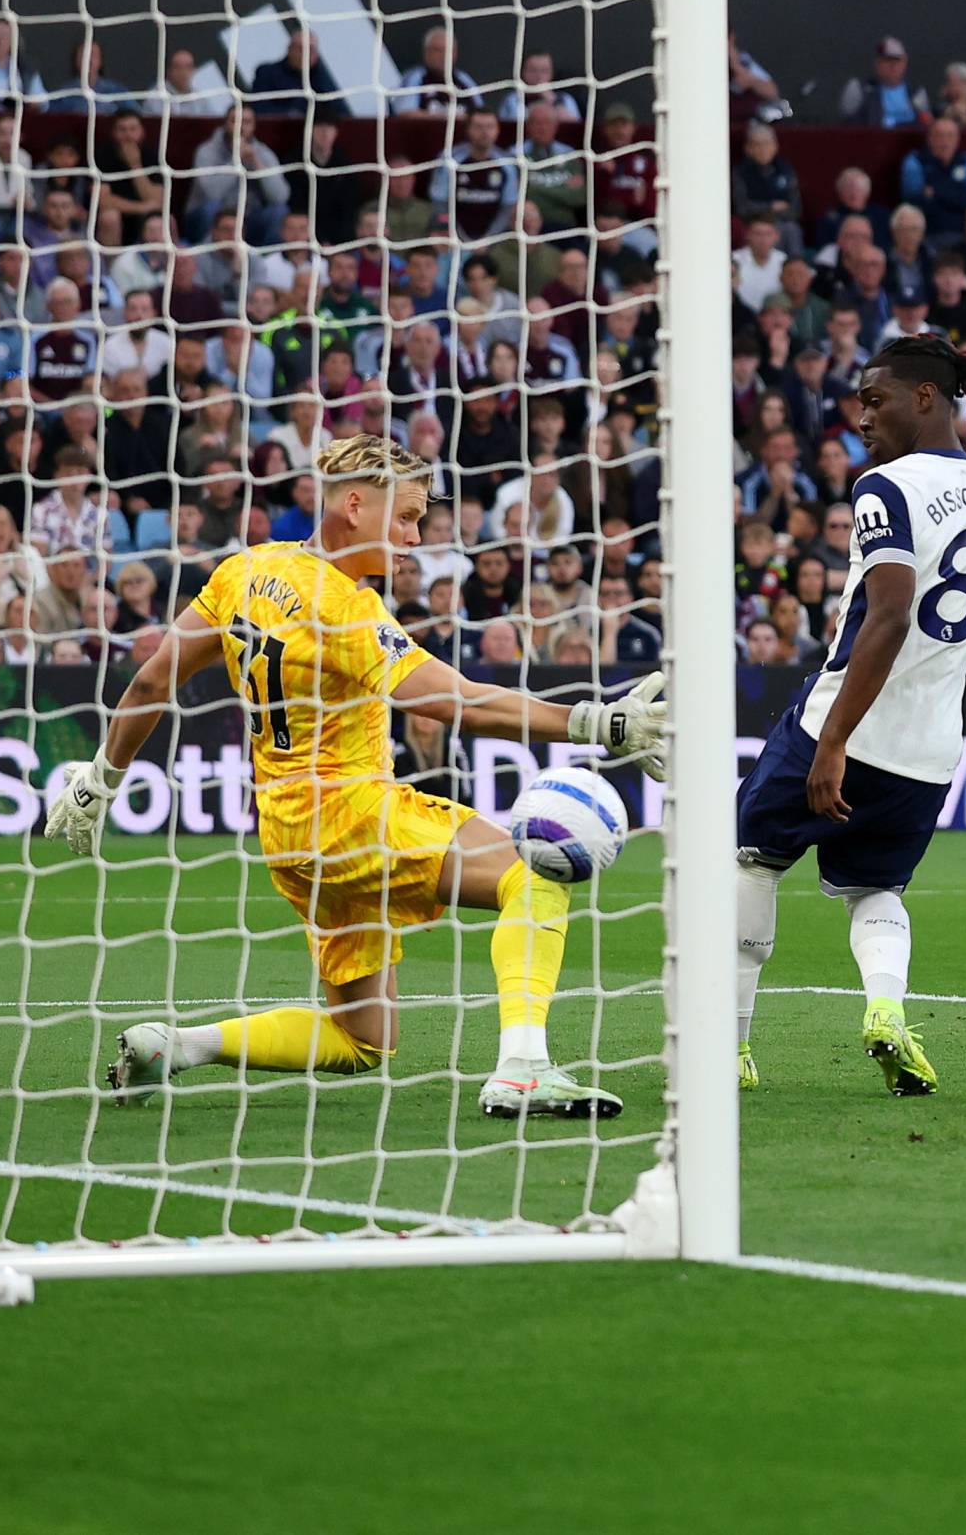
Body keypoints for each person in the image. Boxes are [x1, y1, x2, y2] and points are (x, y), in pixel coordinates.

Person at [49, 433, 673, 1118]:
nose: (412, 538)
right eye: (405, 518)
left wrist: (101, 780)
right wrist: (593, 722)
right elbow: (452, 700)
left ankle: (179, 1046)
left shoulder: (242, 573)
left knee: (362, 1041)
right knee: (535, 874)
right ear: (353, 505)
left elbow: (148, 684)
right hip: (352, 813)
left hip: (287, 838)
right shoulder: (346, 607)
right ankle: (524, 1068)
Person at [728, 335, 966, 1094]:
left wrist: (832, 742)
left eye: (873, 398)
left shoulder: (883, 487)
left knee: (751, 859)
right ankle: (887, 1012)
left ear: (924, 398)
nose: (861, 415)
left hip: (839, 723)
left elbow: (886, 618)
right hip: (927, 751)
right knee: (875, 890)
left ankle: (728, 1048)